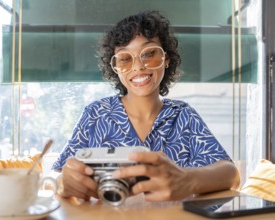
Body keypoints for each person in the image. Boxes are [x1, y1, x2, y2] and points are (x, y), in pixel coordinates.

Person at [51, 10, 240, 202]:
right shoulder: (96, 114)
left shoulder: (183, 115)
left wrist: (188, 180)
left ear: (166, 60)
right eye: (125, 59)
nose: (139, 66)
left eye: (149, 54)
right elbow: (59, 175)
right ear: (115, 68)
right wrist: (62, 183)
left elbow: (230, 172)